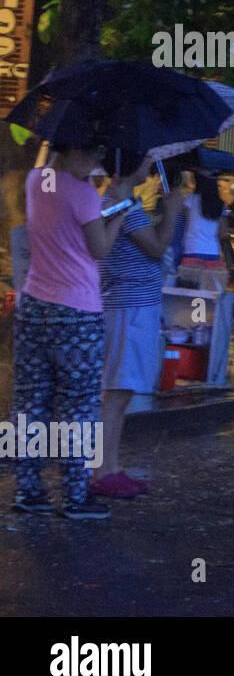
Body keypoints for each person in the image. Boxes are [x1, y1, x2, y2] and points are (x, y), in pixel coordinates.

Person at [12, 143, 132, 519]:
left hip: (33, 305)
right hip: (76, 312)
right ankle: (76, 496)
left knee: (29, 403)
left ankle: (28, 490)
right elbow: (99, 249)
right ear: (71, 149)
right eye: (91, 154)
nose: (96, 163)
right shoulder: (81, 192)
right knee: (78, 408)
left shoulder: (37, 179)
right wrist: (121, 211)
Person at [92, 155, 185, 499]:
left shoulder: (127, 202)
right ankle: (102, 469)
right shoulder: (121, 204)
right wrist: (173, 211)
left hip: (134, 305)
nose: (150, 160)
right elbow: (157, 247)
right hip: (127, 307)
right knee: (116, 393)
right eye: (145, 154)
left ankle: (111, 465)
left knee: (123, 390)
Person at [181, 171, 225, 265]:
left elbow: (180, 216)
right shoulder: (220, 204)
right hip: (213, 252)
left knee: (191, 279)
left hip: (192, 249)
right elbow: (222, 234)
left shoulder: (191, 199)